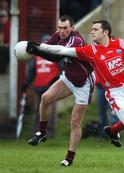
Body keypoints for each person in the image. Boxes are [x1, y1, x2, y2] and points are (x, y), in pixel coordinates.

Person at [26, 20, 124, 167]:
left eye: (95, 29)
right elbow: (62, 51)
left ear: (105, 32)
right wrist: (38, 46)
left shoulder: (120, 44)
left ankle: (113, 130)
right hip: (115, 95)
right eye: (92, 29)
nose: (92, 32)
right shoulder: (91, 51)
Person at [27, 15, 94, 167]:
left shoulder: (76, 40)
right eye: (60, 28)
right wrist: (34, 48)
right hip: (69, 78)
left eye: (65, 28)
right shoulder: (58, 35)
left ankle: (69, 159)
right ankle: (42, 132)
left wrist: (37, 48)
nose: (62, 31)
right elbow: (48, 46)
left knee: (75, 122)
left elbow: (57, 54)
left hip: (83, 83)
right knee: (45, 98)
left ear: (72, 28)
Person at [22, 35, 61, 137]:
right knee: (38, 111)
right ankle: (37, 132)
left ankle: (49, 133)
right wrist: (26, 84)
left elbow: (62, 70)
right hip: (39, 87)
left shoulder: (55, 56)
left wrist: (57, 80)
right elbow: (31, 72)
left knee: (50, 112)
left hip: (51, 87)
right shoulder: (36, 57)